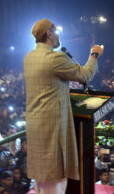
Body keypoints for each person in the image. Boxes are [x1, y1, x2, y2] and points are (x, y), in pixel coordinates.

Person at [23, 18, 103, 193]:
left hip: (36, 126)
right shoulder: (54, 58)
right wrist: (94, 54)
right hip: (53, 127)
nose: (59, 36)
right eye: (56, 32)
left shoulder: (29, 57)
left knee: (42, 180)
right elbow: (85, 75)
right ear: (49, 34)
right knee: (55, 179)